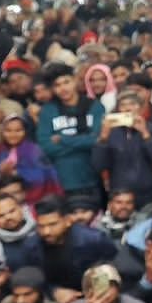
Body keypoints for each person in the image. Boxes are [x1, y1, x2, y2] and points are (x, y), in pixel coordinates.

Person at [36, 66, 105, 204]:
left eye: (66, 82)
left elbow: (97, 140)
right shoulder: (48, 110)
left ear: (75, 81)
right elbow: (45, 146)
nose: (63, 88)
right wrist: (84, 143)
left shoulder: (95, 106)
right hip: (61, 181)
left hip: (93, 178)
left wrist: (63, 139)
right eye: (57, 85)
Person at [90, 88, 152, 208]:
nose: (127, 108)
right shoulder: (110, 132)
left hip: (149, 194)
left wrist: (145, 134)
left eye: (132, 104)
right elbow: (98, 165)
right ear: (118, 110)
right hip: (120, 195)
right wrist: (103, 139)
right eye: (123, 105)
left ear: (141, 108)